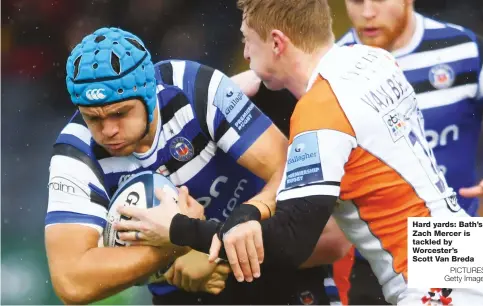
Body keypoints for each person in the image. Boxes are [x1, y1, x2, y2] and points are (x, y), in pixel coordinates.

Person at [112, 0, 483, 305]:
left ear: (277, 42)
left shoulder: (320, 113)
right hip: (462, 251)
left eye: (248, 40)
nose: (246, 54)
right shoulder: (371, 58)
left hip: (432, 282)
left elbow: (290, 242)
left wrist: (179, 230)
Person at [230, 0, 483, 303]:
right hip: (368, 255)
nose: (367, 12)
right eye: (356, 1)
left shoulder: (468, 51)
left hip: (450, 243)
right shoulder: (351, 58)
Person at [44, 27, 349, 305]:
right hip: (188, 293)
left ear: (150, 94)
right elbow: (71, 282)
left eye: (120, 113)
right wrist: (176, 248)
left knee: (330, 233)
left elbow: (287, 170)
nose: (108, 130)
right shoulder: (75, 153)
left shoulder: (195, 87)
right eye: (93, 118)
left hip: (275, 269)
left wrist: (209, 244)